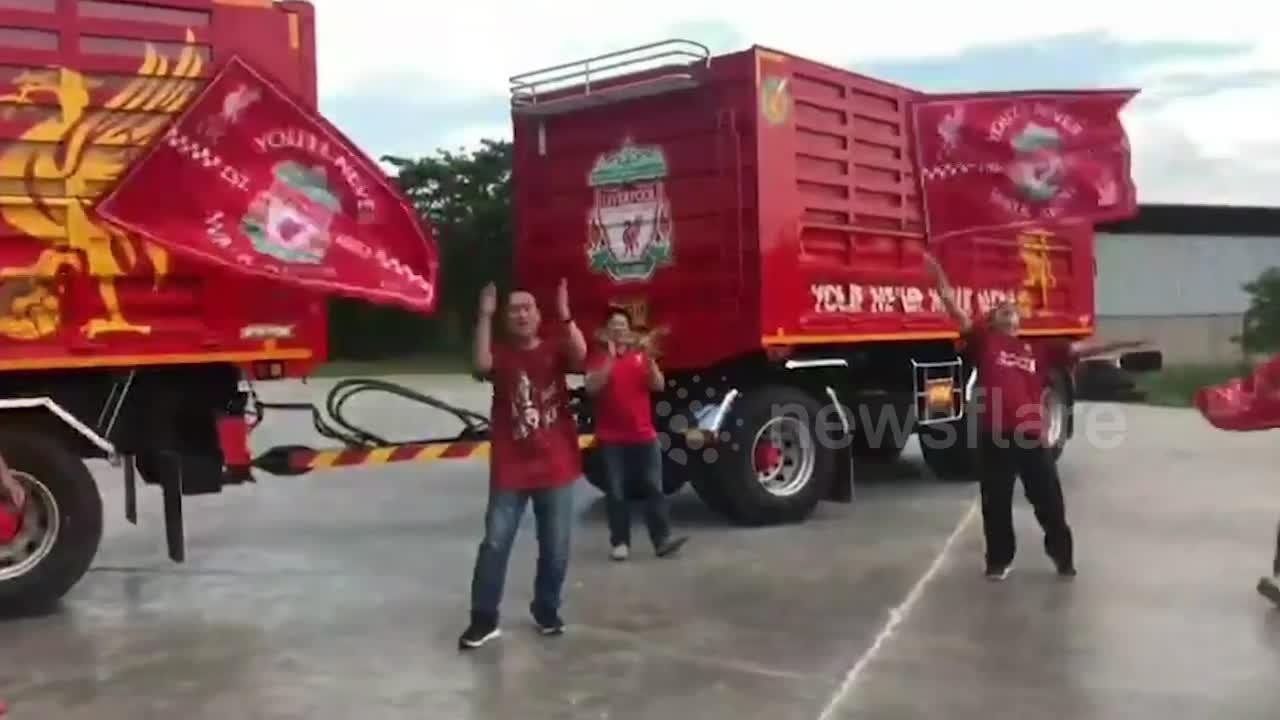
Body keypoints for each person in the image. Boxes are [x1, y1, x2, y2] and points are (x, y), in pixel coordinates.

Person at [923, 250, 1145, 581]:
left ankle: (1062, 558)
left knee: (1048, 501)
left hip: (1029, 436)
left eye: (1013, 311)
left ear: (1019, 321)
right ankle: (998, 561)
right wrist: (939, 276)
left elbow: (1084, 350)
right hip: (994, 436)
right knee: (995, 503)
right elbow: (954, 308)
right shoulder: (985, 342)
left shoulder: (1038, 349)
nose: (1010, 312)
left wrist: (1127, 342)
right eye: (1003, 310)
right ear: (994, 320)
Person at [458, 279, 587, 650]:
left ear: (537, 315)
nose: (520, 314)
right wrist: (483, 316)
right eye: (513, 310)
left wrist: (565, 316)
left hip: (557, 466)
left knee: (556, 546)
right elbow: (480, 363)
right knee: (495, 544)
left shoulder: (553, 348)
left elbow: (580, 357)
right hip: (511, 469)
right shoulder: (501, 355)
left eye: (527, 308)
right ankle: (483, 619)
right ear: (506, 320)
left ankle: (546, 608)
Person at [584, 307, 688, 561]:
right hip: (611, 439)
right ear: (606, 331)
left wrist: (650, 360)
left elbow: (658, 385)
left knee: (654, 488)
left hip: (644, 436)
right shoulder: (597, 358)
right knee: (617, 492)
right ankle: (620, 543)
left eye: (622, 325)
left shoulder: (640, 357)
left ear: (629, 331)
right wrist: (610, 359)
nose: (619, 329)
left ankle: (662, 540)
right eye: (614, 325)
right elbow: (591, 387)